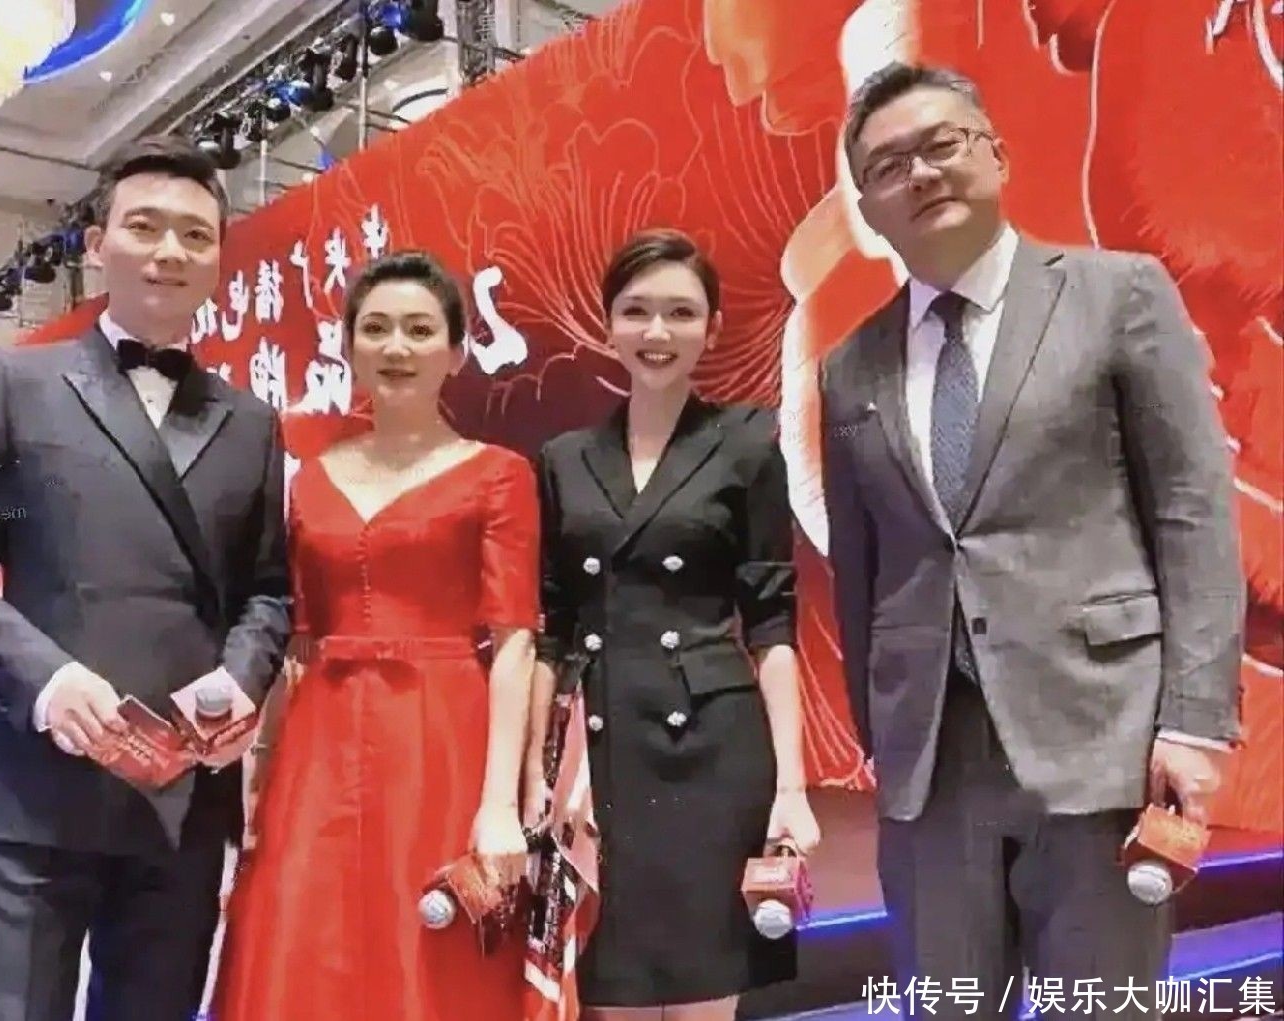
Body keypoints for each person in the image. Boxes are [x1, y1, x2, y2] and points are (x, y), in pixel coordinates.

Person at [820, 63, 1244, 1015]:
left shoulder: (1116, 294)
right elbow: (861, 568)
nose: (921, 174)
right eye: (889, 166)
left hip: (1100, 742)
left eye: (942, 145)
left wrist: (1191, 721)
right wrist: (880, 733)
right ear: (868, 207)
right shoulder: (850, 367)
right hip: (932, 768)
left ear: (998, 156)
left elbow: (1191, 509)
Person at [0, 135, 291, 1021]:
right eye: (144, 226)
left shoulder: (250, 424)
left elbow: (266, 589)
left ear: (218, 260)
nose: (169, 251)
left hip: (181, 796)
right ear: (96, 245)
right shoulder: (17, 384)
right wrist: (45, 681)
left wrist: (241, 678)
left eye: (195, 234)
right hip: (32, 787)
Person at [212, 250, 539, 1020]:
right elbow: (296, 641)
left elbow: (515, 643)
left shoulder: (498, 473)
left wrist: (500, 802)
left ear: (455, 352)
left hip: (441, 734)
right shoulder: (312, 477)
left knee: (427, 936)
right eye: (377, 328)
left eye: (420, 330)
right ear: (349, 346)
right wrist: (260, 770)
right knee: (305, 933)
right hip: (318, 742)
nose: (397, 347)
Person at [529, 228, 821, 1020]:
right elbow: (552, 627)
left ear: (713, 328)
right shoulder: (563, 458)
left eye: (681, 313)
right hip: (599, 751)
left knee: (704, 994)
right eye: (636, 311)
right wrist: (532, 773)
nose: (657, 332)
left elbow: (771, 623)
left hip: (713, 751)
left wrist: (791, 788)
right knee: (611, 989)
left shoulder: (748, 441)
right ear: (607, 323)